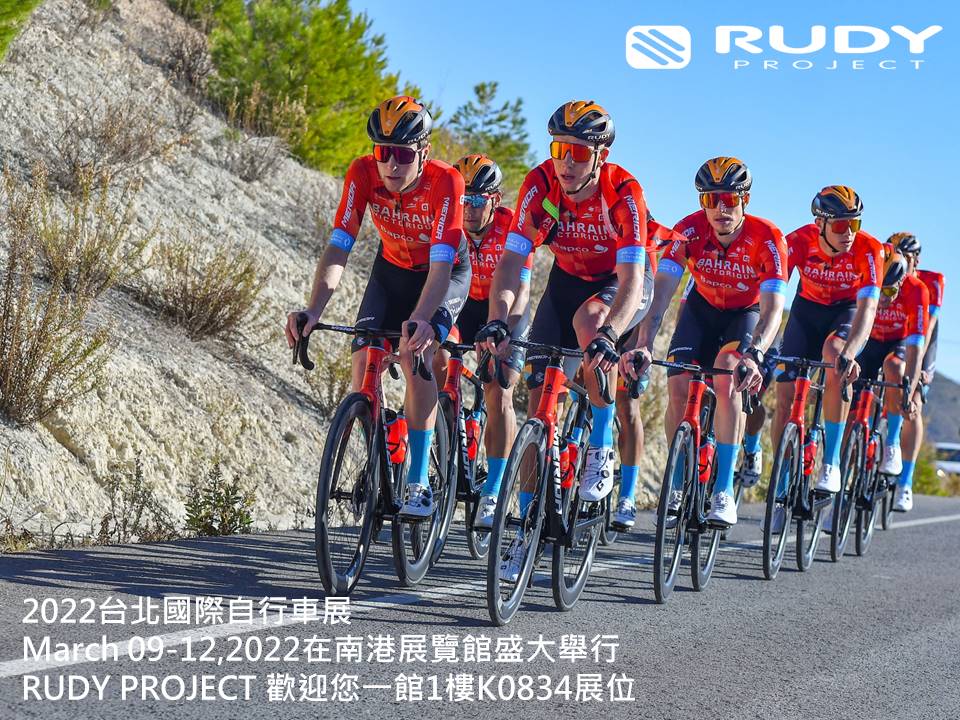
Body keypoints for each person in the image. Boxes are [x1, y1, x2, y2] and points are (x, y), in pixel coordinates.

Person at [479, 100, 651, 579]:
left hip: (619, 286)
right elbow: (511, 263)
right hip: (565, 282)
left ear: (601, 155)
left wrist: (612, 333)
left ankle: (600, 445)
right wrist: (497, 319)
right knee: (539, 410)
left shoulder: (624, 192)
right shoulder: (540, 185)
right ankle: (525, 529)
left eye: (578, 151)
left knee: (591, 322)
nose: (567, 161)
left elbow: (633, 278)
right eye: (559, 149)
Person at [285, 96, 470, 519]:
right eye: (383, 152)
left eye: (402, 155)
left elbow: (442, 267)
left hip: (444, 272)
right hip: (391, 270)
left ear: (423, 152)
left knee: (414, 354)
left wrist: (421, 321)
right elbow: (340, 246)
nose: (391, 164)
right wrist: (313, 310)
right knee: (363, 363)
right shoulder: (362, 172)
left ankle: (419, 481)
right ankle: (383, 445)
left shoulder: (446, 182)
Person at [622, 156, 787, 528]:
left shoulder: (767, 237)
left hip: (745, 314)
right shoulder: (688, 231)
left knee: (727, 375)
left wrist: (756, 353)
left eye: (729, 200)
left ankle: (724, 489)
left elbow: (774, 308)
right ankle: (678, 480)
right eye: (711, 200)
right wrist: (645, 342)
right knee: (678, 385)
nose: (720, 209)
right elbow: (661, 295)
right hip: (701, 309)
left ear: (745, 200)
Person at [438, 154, 532, 529]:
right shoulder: (449, 223)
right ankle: (444, 434)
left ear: (496, 200)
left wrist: (504, 328)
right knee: (436, 358)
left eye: (478, 201)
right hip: (463, 306)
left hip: (505, 311)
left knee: (498, 390)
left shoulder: (513, 227)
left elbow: (521, 289)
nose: (469, 209)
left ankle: (493, 490)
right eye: (464, 200)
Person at [772, 187, 883, 494]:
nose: (849, 233)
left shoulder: (869, 249)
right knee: (785, 398)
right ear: (820, 223)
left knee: (835, 355)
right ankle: (781, 476)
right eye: (840, 225)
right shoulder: (797, 241)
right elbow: (772, 292)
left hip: (846, 313)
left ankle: (831, 462)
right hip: (805, 312)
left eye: (854, 224)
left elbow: (868, 308)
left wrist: (851, 352)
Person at [858, 250, 929, 512]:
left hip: (899, 343)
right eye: (880, 292)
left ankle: (892, 444)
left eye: (890, 292)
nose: (884, 299)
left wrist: (909, 390)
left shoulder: (917, 290)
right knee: (853, 403)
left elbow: (916, 348)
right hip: (871, 339)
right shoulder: (869, 276)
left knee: (894, 367)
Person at [884, 235, 941, 512]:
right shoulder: (887, 274)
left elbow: (926, 330)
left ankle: (905, 483)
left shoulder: (930, 283)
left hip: (919, 345)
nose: (899, 261)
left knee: (913, 404)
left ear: (916, 260)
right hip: (889, 339)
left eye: (905, 256)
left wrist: (917, 377)